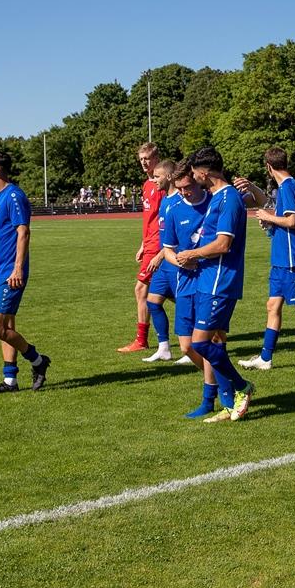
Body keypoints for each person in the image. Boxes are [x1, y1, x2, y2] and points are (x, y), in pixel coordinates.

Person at [174, 147, 254, 422]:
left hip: (221, 280)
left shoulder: (229, 198)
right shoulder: (219, 197)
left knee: (201, 344)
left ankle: (243, 387)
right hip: (208, 279)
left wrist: (191, 254)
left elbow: (223, 243)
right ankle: (228, 403)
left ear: (204, 172)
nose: (193, 177)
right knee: (212, 343)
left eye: (195, 172)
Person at [0, 152, 50, 394]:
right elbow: (4, 231)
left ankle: (37, 360)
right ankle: (10, 381)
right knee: (7, 325)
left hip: (9, 272)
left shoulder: (14, 195)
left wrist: (17, 268)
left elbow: (23, 232)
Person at [238, 147, 295, 373]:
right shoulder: (290, 186)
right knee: (272, 305)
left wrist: (268, 217)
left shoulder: (287, 187)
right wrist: (272, 222)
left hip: (292, 260)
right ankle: (265, 358)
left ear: (268, 167)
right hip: (281, 260)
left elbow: (294, 221)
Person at [161, 161, 222, 417]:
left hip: (210, 280)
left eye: (188, 186)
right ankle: (222, 378)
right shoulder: (174, 210)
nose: (185, 192)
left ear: (195, 179)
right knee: (187, 347)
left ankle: (209, 398)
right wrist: (182, 261)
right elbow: (168, 250)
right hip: (185, 281)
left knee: (211, 341)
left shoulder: (215, 202)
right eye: (180, 188)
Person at [142, 160, 192, 365]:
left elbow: (178, 238)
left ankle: (190, 350)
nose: (154, 181)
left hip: (175, 261)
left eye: (157, 177)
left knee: (185, 304)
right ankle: (164, 348)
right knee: (153, 302)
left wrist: (160, 255)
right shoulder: (164, 201)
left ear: (169, 177)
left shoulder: (180, 202)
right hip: (164, 264)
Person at [118, 143, 165, 355]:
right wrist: (142, 244)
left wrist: (162, 248)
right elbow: (149, 219)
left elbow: (164, 218)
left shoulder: (162, 185)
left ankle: (142, 340)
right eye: (141, 159)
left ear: (156, 158)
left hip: (159, 244)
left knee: (141, 289)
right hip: (150, 244)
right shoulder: (147, 185)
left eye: (147, 158)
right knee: (165, 291)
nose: (144, 163)